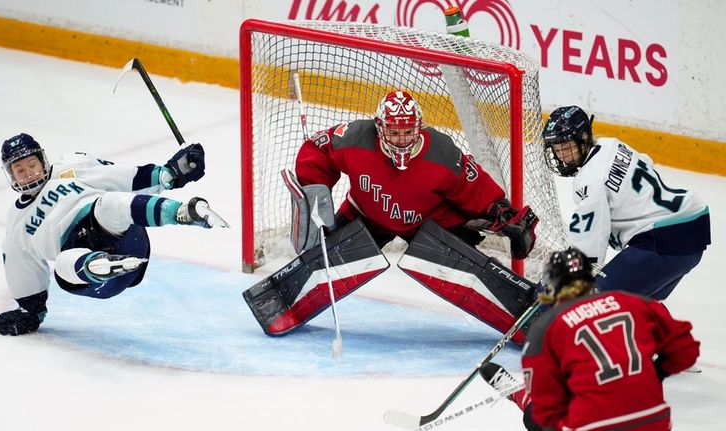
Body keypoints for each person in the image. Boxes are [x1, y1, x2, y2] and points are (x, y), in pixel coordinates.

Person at [243, 91, 539, 340]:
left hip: (430, 220)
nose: (401, 140)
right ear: (379, 127)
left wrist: (502, 212)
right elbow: (317, 152)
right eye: (394, 132)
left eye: (408, 132)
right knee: (324, 258)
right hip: (366, 215)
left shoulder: (442, 152)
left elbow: (476, 187)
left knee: (469, 267)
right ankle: (279, 304)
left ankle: (526, 315)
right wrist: (315, 193)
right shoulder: (356, 137)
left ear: (419, 128)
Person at [0, 132, 229, 336]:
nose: (28, 173)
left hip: (119, 236)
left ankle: (183, 212)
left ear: (42, 160)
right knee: (64, 264)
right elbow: (21, 268)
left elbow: (122, 177)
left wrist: (172, 173)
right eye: (19, 170)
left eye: (31, 164)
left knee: (109, 204)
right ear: (11, 176)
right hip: (91, 275)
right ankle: (99, 266)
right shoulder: (16, 223)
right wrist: (31, 311)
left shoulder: (71, 168)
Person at [482, 247, 700, 431]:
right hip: (654, 420)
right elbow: (685, 350)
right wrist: (655, 374)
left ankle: (514, 392)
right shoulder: (635, 303)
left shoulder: (548, 329)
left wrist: (525, 398)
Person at [542, 106, 710, 300]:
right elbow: (646, 161)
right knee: (640, 304)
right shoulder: (611, 144)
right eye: (557, 149)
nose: (562, 155)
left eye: (567, 147)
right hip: (693, 227)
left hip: (662, 242)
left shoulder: (589, 179)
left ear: (584, 138)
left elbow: (589, 245)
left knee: (595, 302)